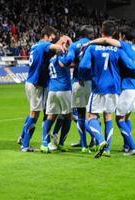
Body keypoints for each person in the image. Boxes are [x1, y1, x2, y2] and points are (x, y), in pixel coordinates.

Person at [79, 21, 135, 158]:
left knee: (90, 117)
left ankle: (101, 141)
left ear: (101, 31)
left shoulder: (92, 48)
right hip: (115, 88)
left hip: (99, 87)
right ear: (115, 33)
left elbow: (83, 67)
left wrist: (85, 77)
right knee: (109, 117)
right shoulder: (119, 49)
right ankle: (107, 150)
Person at [20, 26, 71, 152]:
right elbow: (57, 48)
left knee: (41, 112)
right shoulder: (43, 45)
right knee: (35, 113)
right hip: (36, 83)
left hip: (33, 82)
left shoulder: (35, 46)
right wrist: (63, 43)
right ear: (47, 36)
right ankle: (25, 145)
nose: (53, 41)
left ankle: (24, 138)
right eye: (52, 38)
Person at [51, 25, 95, 153]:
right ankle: (96, 139)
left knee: (77, 115)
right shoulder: (95, 45)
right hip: (94, 84)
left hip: (78, 83)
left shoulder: (75, 45)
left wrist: (60, 57)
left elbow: (67, 60)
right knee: (93, 115)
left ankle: (84, 145)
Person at [40, 53, 73, 153]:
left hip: (52, 90)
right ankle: (61, 143)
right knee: (68, 116)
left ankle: (44, 143)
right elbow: (66, 62)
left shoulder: (50, 57)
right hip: (64, 89)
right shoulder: (62, 56)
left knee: (50, 116)